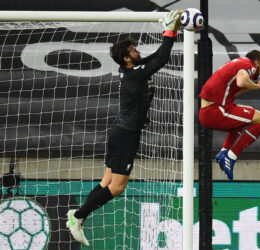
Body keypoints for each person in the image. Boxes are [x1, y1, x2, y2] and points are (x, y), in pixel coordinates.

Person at [65, 10, 183, 246]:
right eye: (133, 51)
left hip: (120, 132)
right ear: (127, 59)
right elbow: (161, 60)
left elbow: (157, 56)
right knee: (117, 187)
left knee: (106, 181)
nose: (138, 51)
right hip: (126, 134)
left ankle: (77, 217)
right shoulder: (134, 76)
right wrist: (169, 32)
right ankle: (77, 217)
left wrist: (172, 31)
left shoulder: (131, 70)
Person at [198, 50, 260, 180]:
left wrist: (249, 86)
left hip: (210, 110)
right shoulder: (250, 66)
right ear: (256, 62)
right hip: (215, 111)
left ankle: (224, 152)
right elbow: (242, 82)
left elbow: (236, 88)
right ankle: (231, 156)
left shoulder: (237, 62)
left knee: (246, 116)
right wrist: (257, 86)